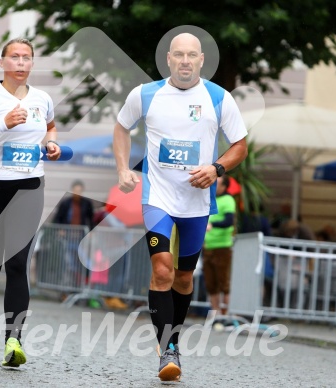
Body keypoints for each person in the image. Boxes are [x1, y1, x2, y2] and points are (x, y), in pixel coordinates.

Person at [113, 33, 248, 382]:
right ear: (168, 59)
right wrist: (124, 168)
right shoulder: (145, 95)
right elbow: (121, 127)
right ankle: (166, 350)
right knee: (162, 270)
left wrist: (216, 168)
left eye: (192, 55)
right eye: (178, 55)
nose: (185, 61)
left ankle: (174, 340)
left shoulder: (219, 98)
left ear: (201, 60)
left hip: (196, 202)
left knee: (184, 277)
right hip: (157, 197)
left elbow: (240, 145)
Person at [0, 38, 61, 366]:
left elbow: (50, 126)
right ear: (2, 62)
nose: (21, 62)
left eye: (27, 58)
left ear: (32, 63)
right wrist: (2, 124)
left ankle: (13, 341)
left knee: (17, 264)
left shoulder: (43, 98)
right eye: (14, 57)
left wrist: (51, 144)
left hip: (28, 188)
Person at [53, 180, 95, 300]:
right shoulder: (66, 203)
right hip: (68, 238)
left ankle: (78, 289)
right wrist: (60, 230)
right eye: (76, 190)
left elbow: (90, 220)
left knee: (81, 264)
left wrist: (91, 232)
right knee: (68, 264)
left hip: (81, 239)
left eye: (80, 191)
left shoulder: (86, 203)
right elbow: (58, 218)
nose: (78, 193)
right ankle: (67, 290)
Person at [202, 175, 237, 317]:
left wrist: (212, 225)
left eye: (218, 184)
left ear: (224, 186)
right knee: (210, 281)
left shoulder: (228, 200)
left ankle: (225, 313)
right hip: (208, 245)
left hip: (222, 246)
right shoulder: (210, 198)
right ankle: (215, 312)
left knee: (223, 281)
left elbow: (229, 221)